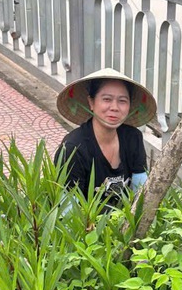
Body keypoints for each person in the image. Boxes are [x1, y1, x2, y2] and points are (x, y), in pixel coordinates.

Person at [54, 68, 156, 204]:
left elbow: (141, 195)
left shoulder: (133, 138)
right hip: (85, 223)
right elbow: (67, 211)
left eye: (122, 101)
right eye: (107, 99)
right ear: (91, 102)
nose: (114, 107)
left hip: (124, 221)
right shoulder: (73, 149)